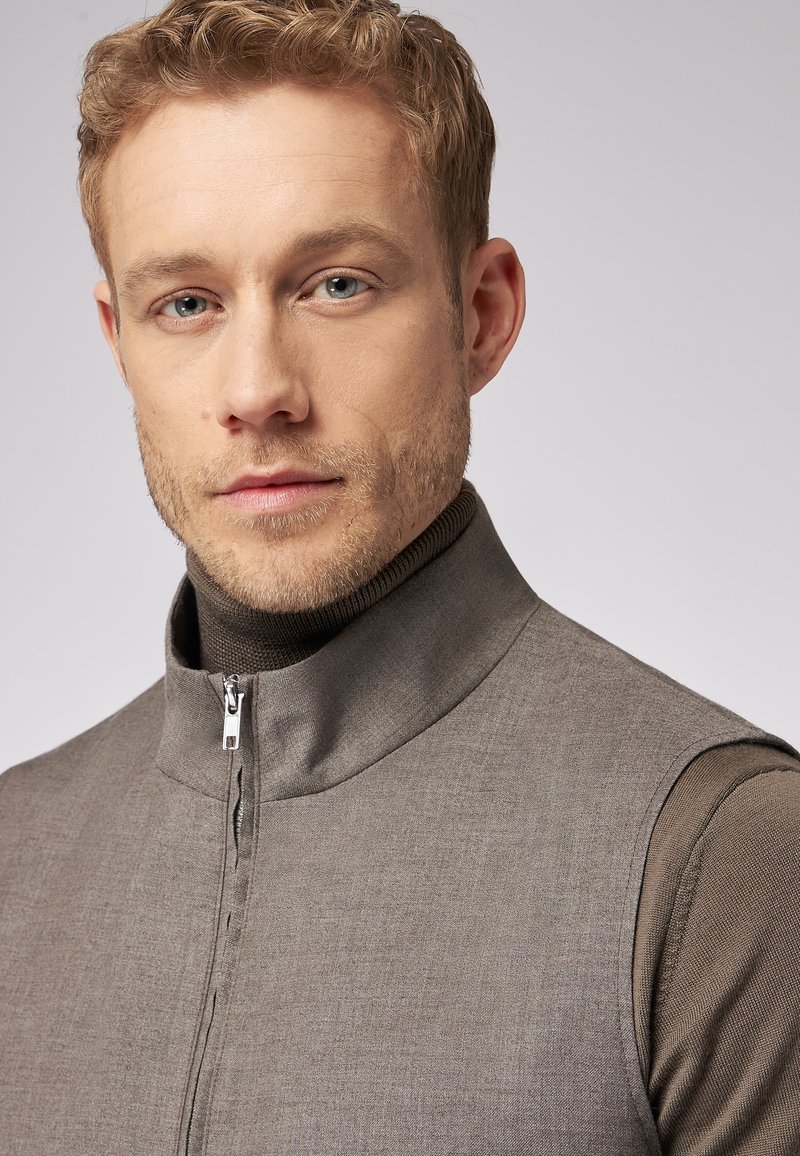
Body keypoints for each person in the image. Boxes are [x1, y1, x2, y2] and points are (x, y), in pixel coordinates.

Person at [0, 0, 798, 1152]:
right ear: (117, 337)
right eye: (187, 304)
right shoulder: (15, 858)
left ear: (482, 315)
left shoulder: (721, 860)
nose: (257, 389)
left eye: (336, 284)